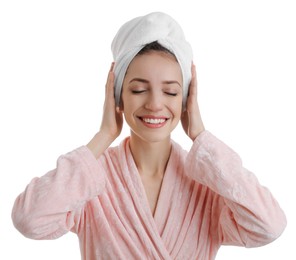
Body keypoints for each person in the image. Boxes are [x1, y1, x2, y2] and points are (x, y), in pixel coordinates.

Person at [12, 12, 286, 260]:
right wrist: (104, 135)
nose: (155, 104)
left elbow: (269, 226)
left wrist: (201, 137)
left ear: (186, 100)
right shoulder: (92, 180)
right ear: (117, 96)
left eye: (170, 92)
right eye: (138, 90)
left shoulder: (208, 184)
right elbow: (29, 220)